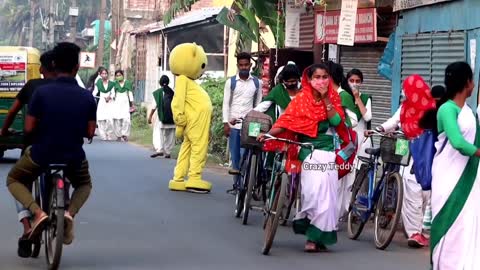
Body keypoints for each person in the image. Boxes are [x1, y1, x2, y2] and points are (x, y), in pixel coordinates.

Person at [6, 42, 96, 249]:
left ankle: (37, 213)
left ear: (53, 65)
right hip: (74, 156)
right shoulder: (87, 96)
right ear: (76, 67)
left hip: (41, 153)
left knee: (14, 178)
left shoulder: (41, 93)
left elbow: (29, 128)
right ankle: (69, 213)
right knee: (84, 184)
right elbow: (90, 132)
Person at [259, 63, 350, 252]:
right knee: (312, 194)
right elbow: (285, 122)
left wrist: (326, 99)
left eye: (325, 77)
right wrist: (268, 134)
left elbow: (336, 121)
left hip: (328, 153)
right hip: (307, 151)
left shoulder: (333, 98)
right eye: (317, 77)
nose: (321, 81)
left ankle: (315, 238)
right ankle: (312, 231)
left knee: (328, 198)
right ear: (309, 80)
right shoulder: (301, 99)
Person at [0, 50, 56, 258]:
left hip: (35, 147)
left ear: (43, 69)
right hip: (63, 148)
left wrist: (4, 131)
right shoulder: (68, 89)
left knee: (17, 179)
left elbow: (13, 111)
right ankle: (63, 208)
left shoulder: (33, 86)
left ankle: (27, 225)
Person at [430, 62, 480, 269]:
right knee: (450, 225)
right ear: (468, 83)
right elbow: (458, 142)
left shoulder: (469, 111)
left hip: (470, 177)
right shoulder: (446, 109)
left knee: (467, 225)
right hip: (448, 178)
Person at [222, 52, 262, 191]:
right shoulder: (231, 82)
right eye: (241, 65)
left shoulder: (257, 83)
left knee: (249, 155)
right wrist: (225, 123)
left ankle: (247, 183)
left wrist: (257, 124)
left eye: (246, 65)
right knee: (236, 155)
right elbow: (226, 104)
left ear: (250, 65)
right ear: (238, 66)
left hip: (252, 124)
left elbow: (258, 105)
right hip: (234, 124)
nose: (244, 67)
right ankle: (237, 184)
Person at [149, 75, 176, 158]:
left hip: (162, 117)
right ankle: (168, 152)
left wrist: (150, 117)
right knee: (170, 135)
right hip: (172, 118)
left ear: (159, 83)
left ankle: (160, 149)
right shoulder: (173, 92)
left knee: (159, 133)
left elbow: (154, 107)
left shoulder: (158, 93)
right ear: (168, 82)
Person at [92, 67, 115, 141]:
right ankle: (103, 134)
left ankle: (109, 133)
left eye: (105, 73)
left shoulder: (111, 84)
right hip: (102, 102)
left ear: (107, 75)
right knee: (101, 119)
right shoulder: (98, 83)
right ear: (100, 75)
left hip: (110, 103)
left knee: (110, 120)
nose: (104, 75)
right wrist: (91, 97)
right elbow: (95, 92)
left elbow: (113, 93)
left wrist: (109, 97)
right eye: (103, 74)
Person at [112, 70, 134, 142]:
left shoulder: (127, 83)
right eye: (117, 76)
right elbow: (112, 93)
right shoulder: (115, 83)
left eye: (119, 75)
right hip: (117, 102)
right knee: (117, 120)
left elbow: (130, 94)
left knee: (126, 119)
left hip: (125, 103)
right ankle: (118, 135)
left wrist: (132, 104)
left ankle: (125, 134)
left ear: (123, 75)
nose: (118, 77)